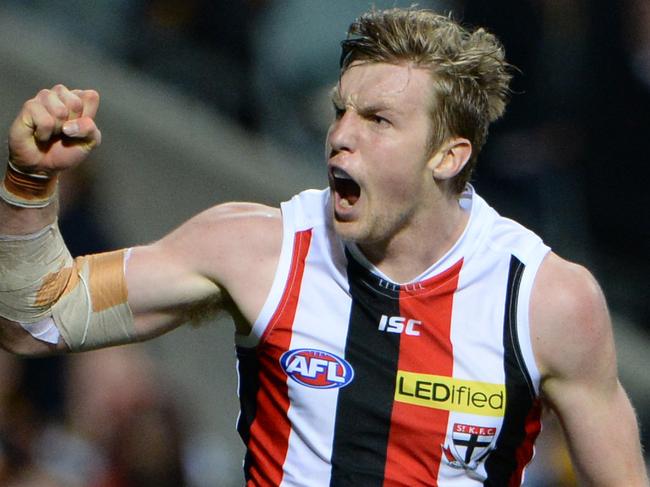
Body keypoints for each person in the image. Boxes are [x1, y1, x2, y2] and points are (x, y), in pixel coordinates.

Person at [0, 8, 647, 486]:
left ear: (450, 155)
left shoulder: (545, 301)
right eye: (340, 110)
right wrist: (28, 182)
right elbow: (38, 318)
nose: (340, 135)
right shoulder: (256, 249)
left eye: (377, 120)